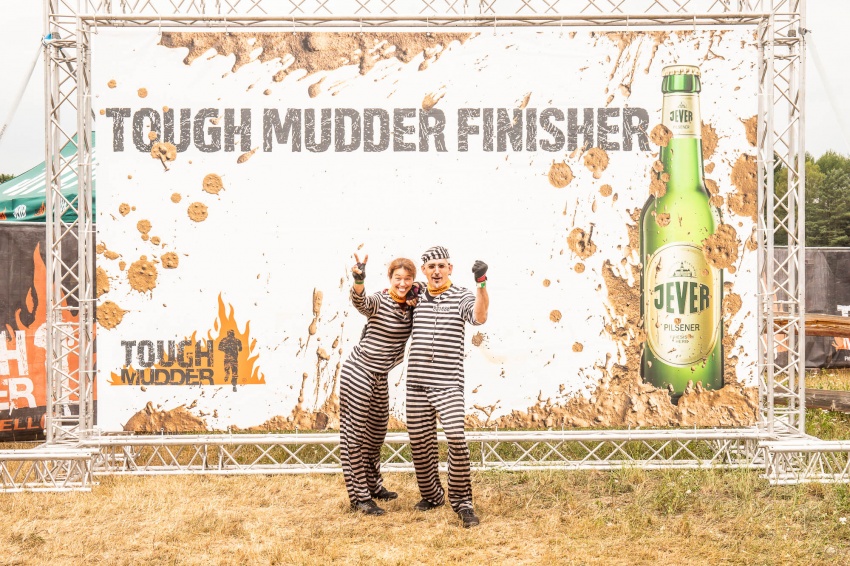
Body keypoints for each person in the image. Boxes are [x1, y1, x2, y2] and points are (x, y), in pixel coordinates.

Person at [406, 245, 489, 528]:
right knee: (420, 442)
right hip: (416, 382)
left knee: (455, 438)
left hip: (447, 384)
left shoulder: (462, 295)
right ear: (424, 270)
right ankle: (432, 496)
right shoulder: (416, 295)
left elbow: (479, 317)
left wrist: (481, 283)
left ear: (450, 268)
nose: (437, 271)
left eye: (441, 265)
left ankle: (463, 503)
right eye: (431, 267)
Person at [340, 253, 419, 516]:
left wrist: (416, 294)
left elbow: (426, 294)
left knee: (375, 434)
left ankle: (373, 486)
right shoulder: (380, 300)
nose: (402, 283)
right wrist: (359, 279)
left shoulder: (411, 306)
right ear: (390, 278)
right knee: (354, 437)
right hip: (359, 370)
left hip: (380, 375)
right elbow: (361, 302)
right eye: (398, 278)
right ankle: (359, 498)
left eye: (408, 279)